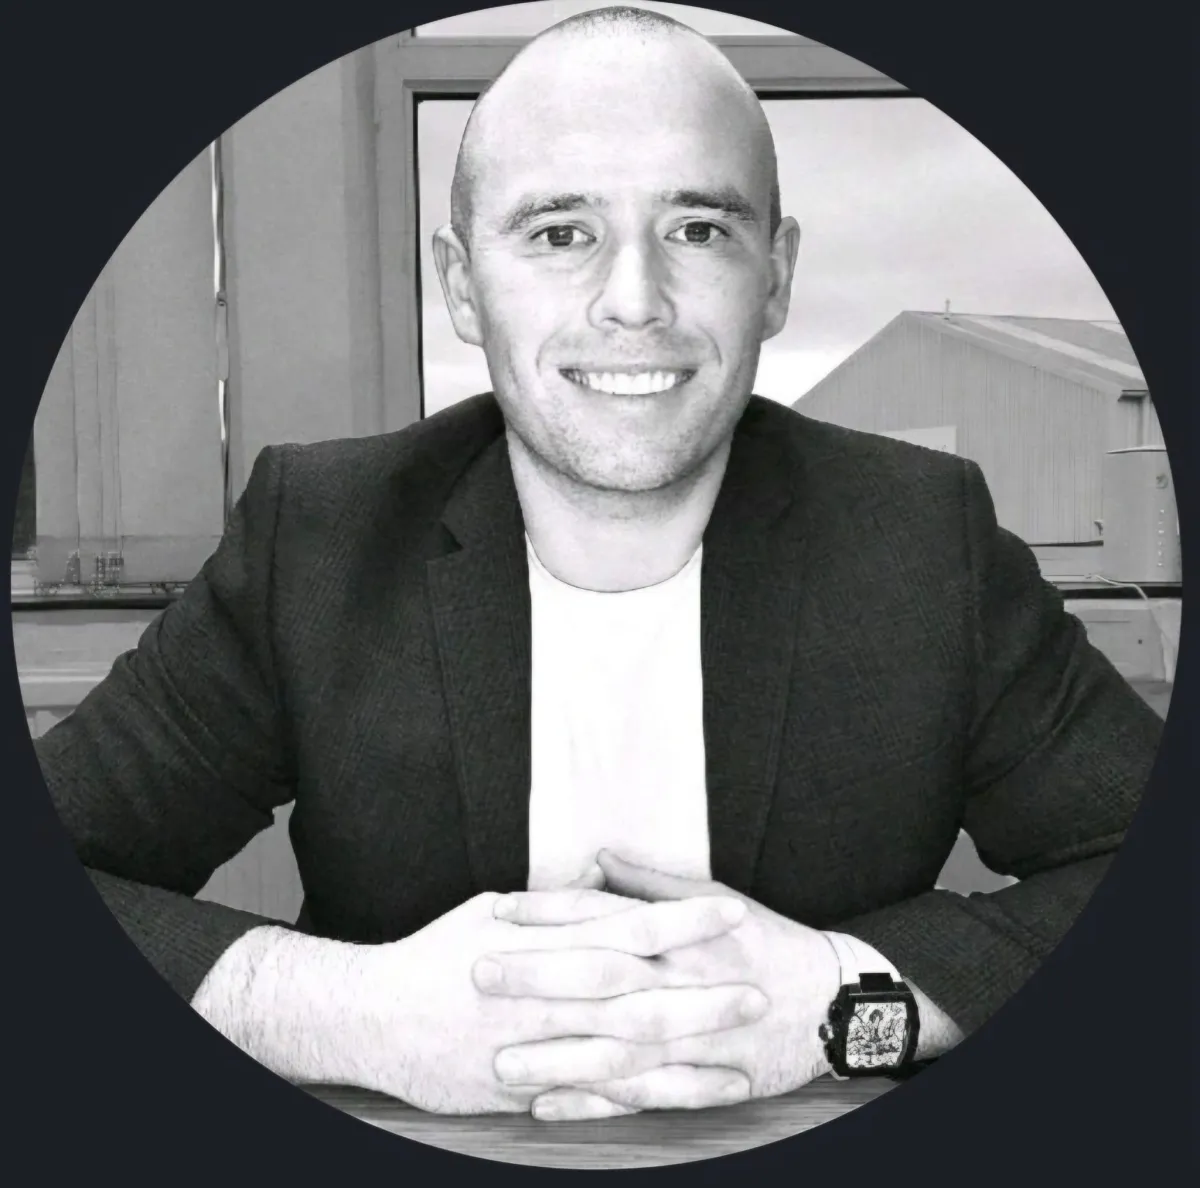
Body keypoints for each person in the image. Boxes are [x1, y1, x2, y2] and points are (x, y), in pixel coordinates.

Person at [35, 7, 1160, 1123]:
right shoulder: (320, 539)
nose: (634, 302)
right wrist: (351, 1013)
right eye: (559, 232)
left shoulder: (921, 540)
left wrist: (844, 999)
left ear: (775, 278)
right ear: (462, 285)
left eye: (699, 230)